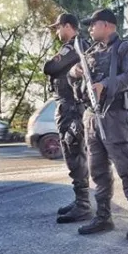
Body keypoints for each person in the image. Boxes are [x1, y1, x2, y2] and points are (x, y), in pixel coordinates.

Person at [68, 8, 128, 240]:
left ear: (107, 25)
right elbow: (76, 83)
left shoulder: (125, 49)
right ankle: (103, 217)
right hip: (92, 117)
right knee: (98, 170)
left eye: (93, 24)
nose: (90, 28)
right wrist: (74, 73)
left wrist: (104, 85)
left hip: (116, 117)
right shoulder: (90, 52)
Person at [43, 13, 92, 224]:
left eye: (58, 27)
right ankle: (81, 200)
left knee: (74, 152)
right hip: (68, 106)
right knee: (73, 152)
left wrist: (53, 61)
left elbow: (50, 67)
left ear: (68, 26)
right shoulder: (76, 46)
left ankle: (83, 205)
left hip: (72, 108)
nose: (56, 32)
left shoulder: (75, 46)